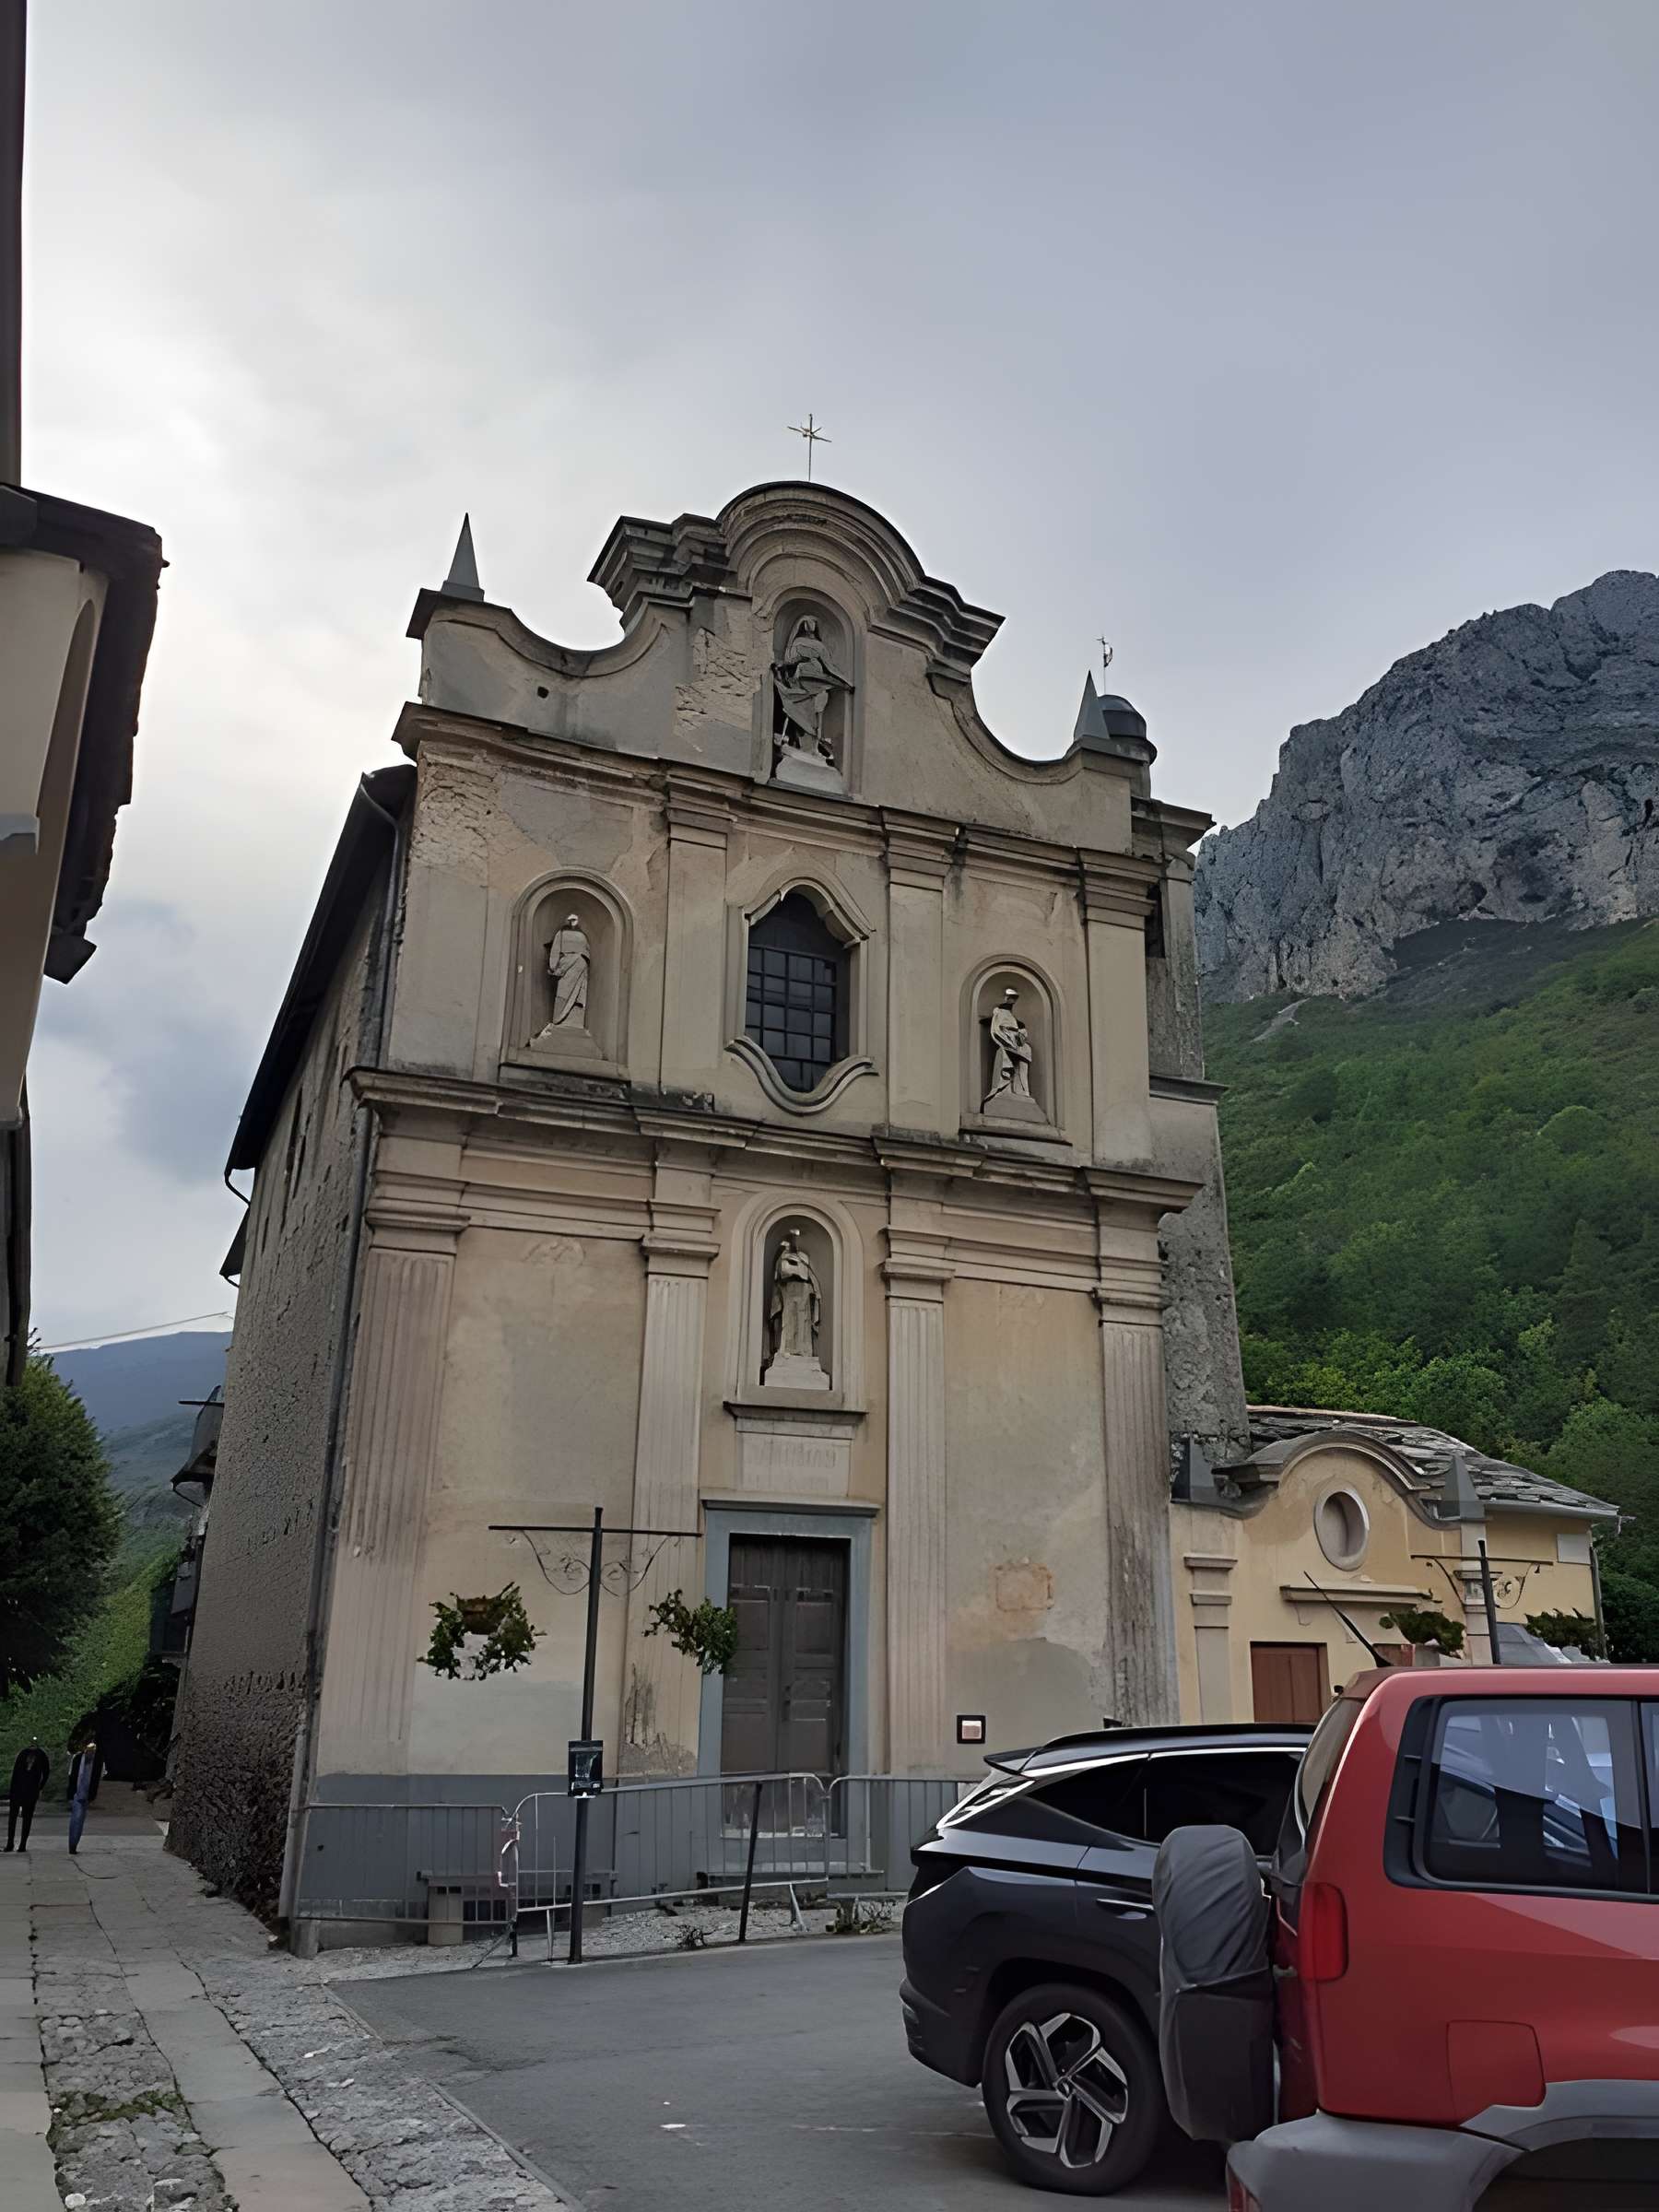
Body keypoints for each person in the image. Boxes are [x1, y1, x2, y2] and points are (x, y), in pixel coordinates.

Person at [6, 1739, 49, 1851]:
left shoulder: (22, 1753)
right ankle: (22, 1844)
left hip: (18, 1789)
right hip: (31, 1789)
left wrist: (12, 1790)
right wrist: (40, 1787)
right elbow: (46, 1772)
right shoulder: (41, 1755)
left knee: (13, 1817)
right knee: (27, 1817)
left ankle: (10, 1843)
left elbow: (15, 1773)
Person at [66, 1738, 99, 1855]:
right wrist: (70, 1795)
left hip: (86, 1794)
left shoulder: (97, 1762)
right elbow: (72, 1777)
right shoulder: (78, 1759)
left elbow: (97, 1779)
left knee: (79, 1820)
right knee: (77, 1819)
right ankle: (72, 1845)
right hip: (78, 1793)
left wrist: (92, 1796)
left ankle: (74, 1844)